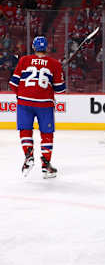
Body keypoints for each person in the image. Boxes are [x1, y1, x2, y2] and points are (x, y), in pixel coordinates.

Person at [8, 36, 65, 178]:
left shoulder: (24, 60)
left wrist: (21, 95)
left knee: (25, 131)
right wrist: (58, 74)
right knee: (47, 134)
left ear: (33, 47)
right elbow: (60, 89)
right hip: (44, 103)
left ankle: (28, 156)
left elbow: (13, 84)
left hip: (24, 102)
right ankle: (46, 166)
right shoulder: (54, 64)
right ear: (47, 48)